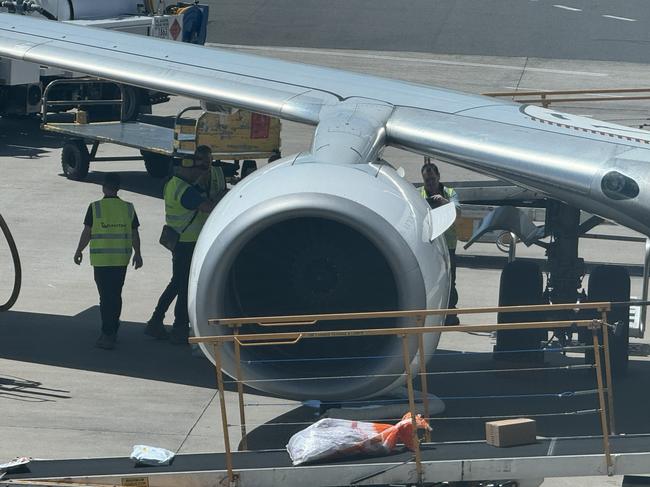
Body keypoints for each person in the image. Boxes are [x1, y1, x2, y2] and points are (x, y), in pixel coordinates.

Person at [145, 145, 221, 344]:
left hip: (180, 241)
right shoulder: (186, 191)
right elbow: (207, 208)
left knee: (178, 283)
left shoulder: (173, 184)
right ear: (184, 169)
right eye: (195, 169)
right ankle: (173, 326)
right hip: (187, 243)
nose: (198, 173)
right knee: (181, 285)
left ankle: (159, 322)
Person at [74, 173, 143, 349]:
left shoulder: (95, 207)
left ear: (104, 187)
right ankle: (113, 328)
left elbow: (87, 233)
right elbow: (134, 233)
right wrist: (138, 253)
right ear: (118, 188)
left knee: (105, 298)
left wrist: (79, 250)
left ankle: (107, 333)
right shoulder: (128, 208)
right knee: (115, 295)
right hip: (121, 260)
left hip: (102, 260)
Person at [420, 160, 461, 325]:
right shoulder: (419, 194)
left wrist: (443, 202)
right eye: (427, 181)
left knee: (450, 280)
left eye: (433, 180)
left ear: (438, 177)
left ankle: (450, 312)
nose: (430, 184)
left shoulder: (449, 192)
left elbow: (458, 212)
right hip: (428, 245)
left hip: (448, 244)